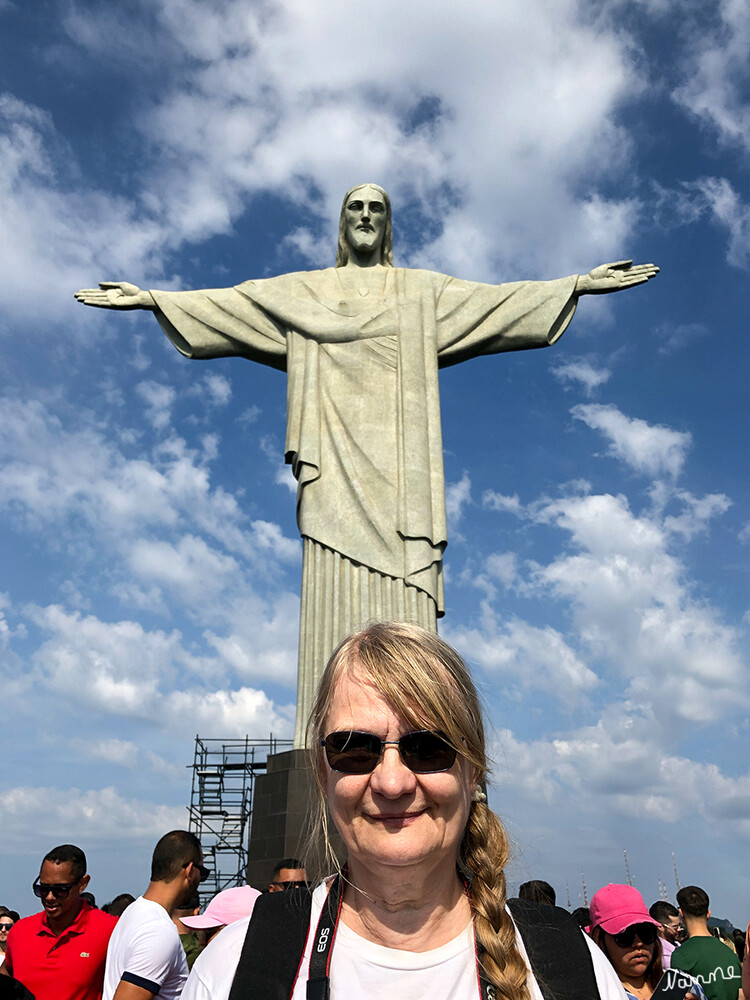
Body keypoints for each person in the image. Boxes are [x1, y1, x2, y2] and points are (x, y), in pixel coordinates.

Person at [74, 185, 659, 746]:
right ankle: (331, 731)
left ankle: (416, 723)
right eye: (354, 206)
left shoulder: (419, 292)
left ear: (387, 224)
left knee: (407, 586)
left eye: (376, 208)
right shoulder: (304, 292)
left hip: (403, 475)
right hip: (332, 462)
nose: (365, 215)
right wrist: (154, 298)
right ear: (341, 221)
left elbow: (494, 301)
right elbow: (236, 303)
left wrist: (576, 284)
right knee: (330, 576)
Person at [179, 621, 627, 1000]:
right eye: (354, 749)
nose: (392, 783)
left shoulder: (569, 965)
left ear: (473, 770)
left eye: (429, 747)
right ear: (323, 773)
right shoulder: (235, 968)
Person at [0, 844, 117, 1000]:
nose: (49, 897)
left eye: (60, 890)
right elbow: (6, 974)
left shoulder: (110, 930)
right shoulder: (20, 931)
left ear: (83, 883)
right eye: (43, 889)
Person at [102, 830, 208, 1000]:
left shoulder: (133, 911)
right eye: (202, 873)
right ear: (189, 870)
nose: (200, 881)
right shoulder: (159, 931)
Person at [590, 884, 705, 1000]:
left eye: (645, 933)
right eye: (625, 936)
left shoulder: (686, 985)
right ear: (600, 939)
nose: (638, 943)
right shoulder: (595, 995)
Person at [671, 886, 742, 1000]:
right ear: (708, 914)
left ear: (681, 914)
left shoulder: (681, 956)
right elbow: (742, 995)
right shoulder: (729, 953)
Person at [650, 900, 682, 968]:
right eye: (675, 927)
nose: (679, 929)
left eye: (680, 925)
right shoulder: (662, 956)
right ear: (660, 927)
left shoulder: (678, 945)